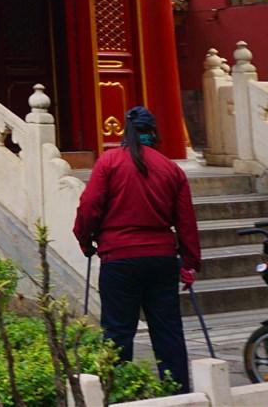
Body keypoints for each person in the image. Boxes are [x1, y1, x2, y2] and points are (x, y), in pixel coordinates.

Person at [73, 106, 200, 394]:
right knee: (168, 331)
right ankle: (178, 393)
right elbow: (186, 221)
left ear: (126, 131)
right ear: (154, 132)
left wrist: (85, 238)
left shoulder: (109, 162)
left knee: (118, 332)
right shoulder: (171, 169)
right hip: (161, 259)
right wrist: (190, 262)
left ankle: (119, 393)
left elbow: (89, 205)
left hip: (119, 258)